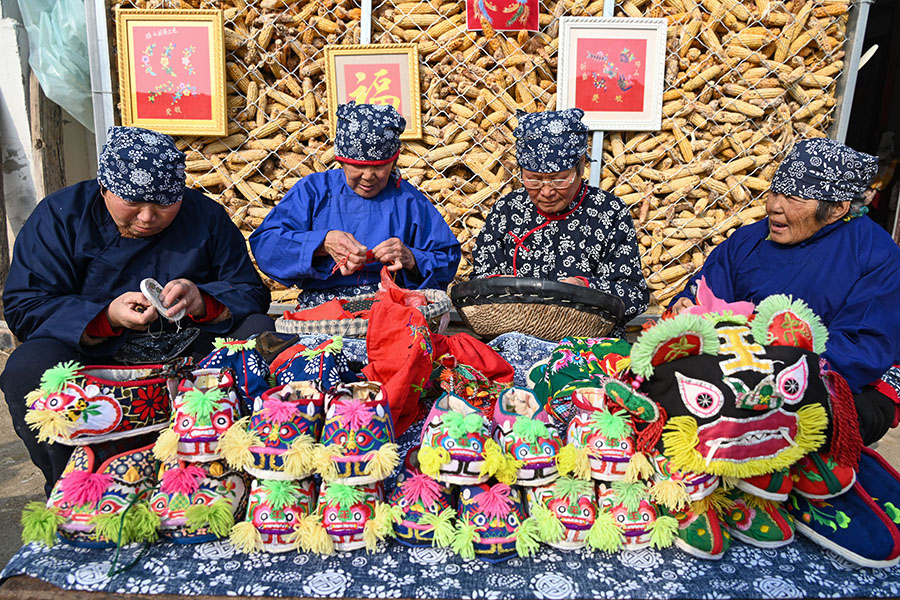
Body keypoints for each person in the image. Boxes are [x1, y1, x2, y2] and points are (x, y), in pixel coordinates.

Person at [0, 126, 273, 495]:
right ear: (105, 187)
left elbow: (250, 292)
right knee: (27, 367)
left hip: (190, 343)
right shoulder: (60, 216)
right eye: (133, 203)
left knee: (261, 335)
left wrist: (203, 299)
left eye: (163, 205)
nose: (147, 217)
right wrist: (106, 316)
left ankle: (249, 470)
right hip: (93, 349)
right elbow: (25, 304)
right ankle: (73, 487)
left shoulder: (205, 216)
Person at [670, 138, 900, 445]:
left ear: (836, 209)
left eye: (793, 197)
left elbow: (862, 349)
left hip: (831, 381)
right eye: (775, 192)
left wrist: (770, 366)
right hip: (736, 366)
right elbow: (706, 291)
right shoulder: (748, 241)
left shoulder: (875, 255)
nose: (774, 206)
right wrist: (685, 305)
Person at [249, 102, 461, 305]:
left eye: (379, 167)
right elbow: (266, 244)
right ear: (341, 160)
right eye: (358, 167)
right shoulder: (313, 191)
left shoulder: (408, 200)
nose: (368, 176)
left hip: (392, 305)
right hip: (323, 309)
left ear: (394, 161)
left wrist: (411, 258)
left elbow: (447, 258)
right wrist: (321, 243)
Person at [471, 108, 649, 334]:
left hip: (586, 344)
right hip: (512, 336)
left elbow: (634, 295)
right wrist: (498, 285)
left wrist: (585, 289)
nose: (546, 191)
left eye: (559, 180)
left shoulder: (609, 212)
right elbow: (479, 282)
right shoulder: (507, 210)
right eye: (533, 179)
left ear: (582, 166)